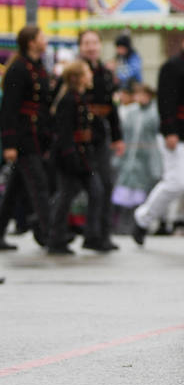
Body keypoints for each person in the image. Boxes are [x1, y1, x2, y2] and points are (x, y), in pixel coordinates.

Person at [130, 27, 184, 245]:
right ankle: (143, 218)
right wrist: (169, 131)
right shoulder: (172, 66)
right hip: (179, 135)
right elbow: (166, 101)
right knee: (178, 182)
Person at [0, 25, 55, 249]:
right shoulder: (19, 69)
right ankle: (49, 233)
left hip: (37, 136)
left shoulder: (39, 67)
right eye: (42, 37)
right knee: (39, 185)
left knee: (14, 190)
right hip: (23, 138)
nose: (45, 40)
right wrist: (9, 143)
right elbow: (9, 109)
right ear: (31, 42)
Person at [77, 30, 124, 252]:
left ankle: (102, 233)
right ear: (80, 46)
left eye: (94, 42)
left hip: (100, 135)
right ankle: (85, 232)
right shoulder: (75, 71)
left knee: (105, 184)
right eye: (86, 43)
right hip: (79, 137)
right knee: (75, 188)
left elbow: (112, 109)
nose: (91, 46)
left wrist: (118, 137)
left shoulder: (105, 73)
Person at [45, 61, 97, 255]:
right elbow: (65, 132)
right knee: (66, 195)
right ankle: (55, 236)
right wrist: (71, 156)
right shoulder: (69, 100)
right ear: (78, 77)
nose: (90, 75)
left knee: (85, 192)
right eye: (86, 72)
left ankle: (91, 234)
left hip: (80, 154)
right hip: (69, 156)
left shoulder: (79, 97)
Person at [111, 82, 161, 231]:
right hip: (130, 153)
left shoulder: (154, 111)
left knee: (142, 190)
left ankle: (137, 224)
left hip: (146, 155)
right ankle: (120, 225)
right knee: (124, 189)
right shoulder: (131, 111)